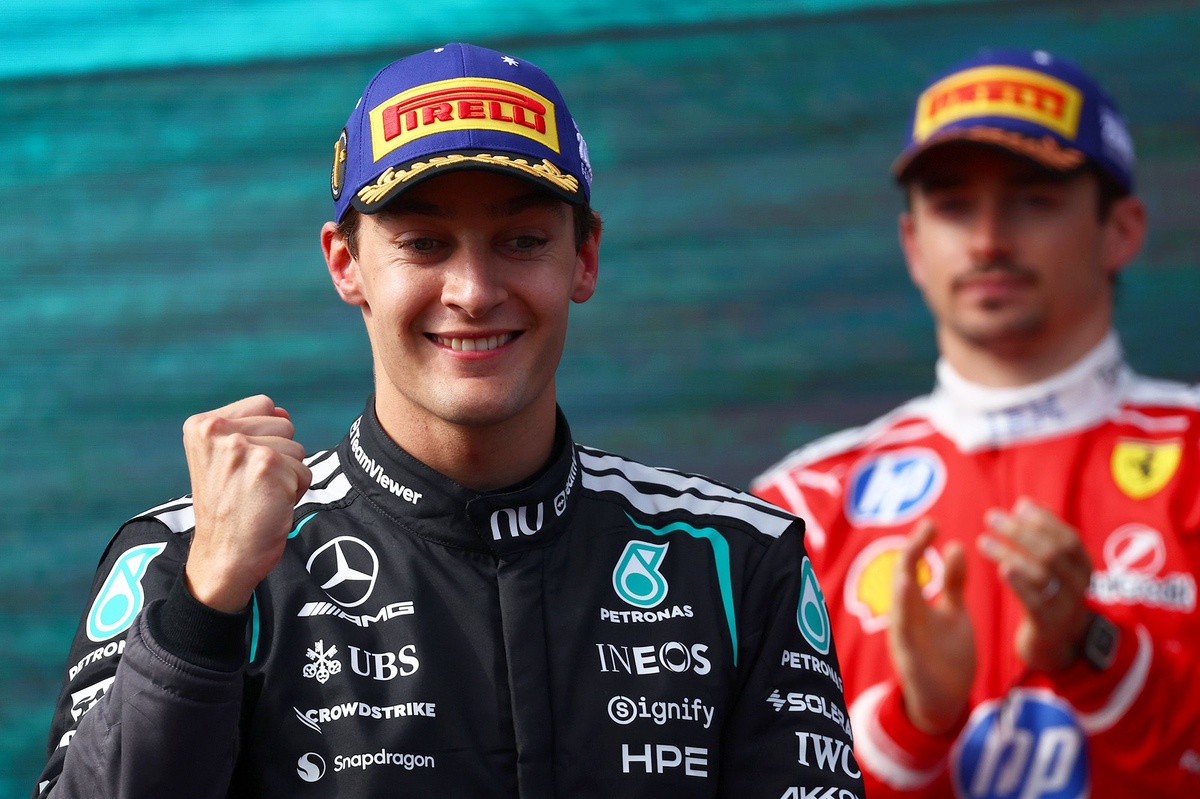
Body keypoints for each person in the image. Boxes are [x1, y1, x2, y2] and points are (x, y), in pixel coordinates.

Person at [34, 42, 862, 798]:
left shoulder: (737, 561)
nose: (473, 291)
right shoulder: (184, 558)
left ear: (585, 258)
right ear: (346, 264)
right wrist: (204, 604)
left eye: (522, 240)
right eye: (424, 244)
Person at [752, 48, 1200, 797]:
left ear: (1121, 230)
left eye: (1033, 200)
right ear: (913, 244)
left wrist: (1092, 650)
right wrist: (915, 722)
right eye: (953, 205)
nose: (989, 239)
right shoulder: (801, 510)